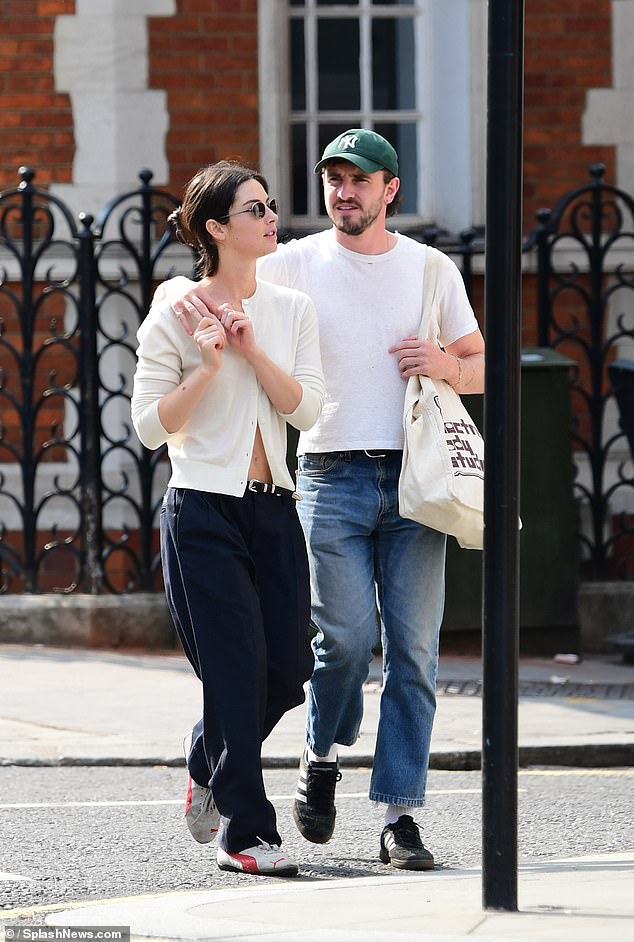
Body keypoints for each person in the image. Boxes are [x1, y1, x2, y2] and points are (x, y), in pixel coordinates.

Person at [161, 129, 485, 871]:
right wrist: (182, 310)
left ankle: (399, 815)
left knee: (412, 653)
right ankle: (321, 751)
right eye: (334, 179)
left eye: (361, 180)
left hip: (416, 481)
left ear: (389, 190)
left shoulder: (430, 270)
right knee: (338, 643)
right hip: (328, 477)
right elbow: (212, 276)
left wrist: (442, 362)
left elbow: (477, 363)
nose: (346, 192)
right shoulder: (296, 261)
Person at [131, 160, 324, 877]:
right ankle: (246, 831)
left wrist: (250, 350)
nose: (272, 216)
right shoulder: (176, 309)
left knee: (288, 668)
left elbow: (306, 409)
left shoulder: (291, 310)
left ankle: (202, 753)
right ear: (216, 228)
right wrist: (208, 367)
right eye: (254, 209)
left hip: (273, 510)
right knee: (236, 670)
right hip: (203, 512)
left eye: (270, 204)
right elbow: (150, 426)